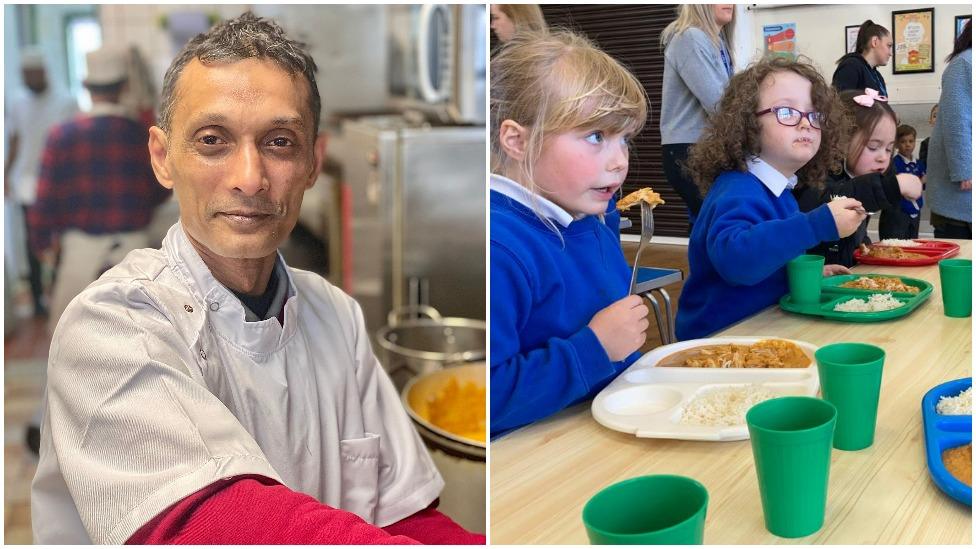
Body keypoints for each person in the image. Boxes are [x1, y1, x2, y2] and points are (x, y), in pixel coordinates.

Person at [31, 13, 484, 545]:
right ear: (163, 157)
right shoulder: (107, 327)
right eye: (212, 140)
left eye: (279, 142)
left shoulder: (335, 314)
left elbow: (403, 511)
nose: (250, 179)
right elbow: (206, 523)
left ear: (314, 161)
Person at [490, 31, 650, 435]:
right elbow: (486, 399)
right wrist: (593, 350)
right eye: (596, 136)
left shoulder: (584, 214)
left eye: (624, 139)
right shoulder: (498, 247)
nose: (619, 162)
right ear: (517, 141)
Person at [675, 56, 863, 341]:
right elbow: (737, 260)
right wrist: (816, 225)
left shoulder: (781, 192)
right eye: (787, 112)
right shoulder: (736, 189)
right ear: (748, 124)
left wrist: (799, 273)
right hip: (720, 343)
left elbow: (768, 256)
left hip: (761, 331)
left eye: (815, 114)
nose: (805, 124)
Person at [27, 47, 172, 333]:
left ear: (86, 86)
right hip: (136, 252)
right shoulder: (142, 135)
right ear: (125, 86)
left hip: (80, 253)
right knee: (141, 338)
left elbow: (44, 201)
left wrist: (42, 243)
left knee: (71, 338)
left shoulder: (62, 136)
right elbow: (162, 189)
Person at [793, 89, 922, 263]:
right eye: (873, 146)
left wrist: (863, 245)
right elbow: (838, 198)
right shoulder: (816, 173)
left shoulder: (857, 174)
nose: (883, 157)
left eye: (889, 149)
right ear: (842, 140)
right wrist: (891, 186)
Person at [4, 47, 79, 317]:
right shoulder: (16, 102)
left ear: (43, 72)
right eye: (24, 74)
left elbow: (75, 145)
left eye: (32, 73)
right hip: (26, 183)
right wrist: (5, 174)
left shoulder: (66, 100)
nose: (28, 78)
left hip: (60, 184)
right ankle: (37, 301)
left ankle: (60, 294)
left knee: (61, 241)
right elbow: (14, 139)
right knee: (31, 243)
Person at [659, 4, 736, 230]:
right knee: (716, 224)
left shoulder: (718, 41)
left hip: (704, 147)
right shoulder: (690, 38)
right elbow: (719, 103)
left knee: (708, 224)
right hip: (689, 148)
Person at [925, 20, 971, 239]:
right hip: (960, 186)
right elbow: (957, 121)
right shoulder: (965, 63)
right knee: (959, 258)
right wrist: (965, 170)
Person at [881, 124, 926, 239]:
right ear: (896, 144)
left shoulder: (919, 163)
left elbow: (925, 181)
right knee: (898, 242)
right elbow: (900, 186)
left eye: (911, 141)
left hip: (915, 209)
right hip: (899, 211)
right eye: (903, 141)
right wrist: (920, 181)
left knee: (913, 242)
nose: (908, 145)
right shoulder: (894, 163)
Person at [832, 19, 891, 95]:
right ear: (875, 42)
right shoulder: (851, 67)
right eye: (889, 45)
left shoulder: (878, 76)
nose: (890, 53)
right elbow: (839, 104)